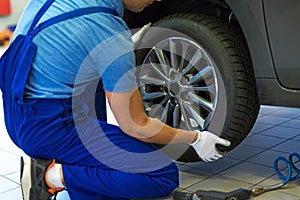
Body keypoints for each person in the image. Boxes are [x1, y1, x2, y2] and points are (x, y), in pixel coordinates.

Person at [1, 0, 231, 199]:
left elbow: (70, 47)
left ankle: (78, 172)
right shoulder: (106, 30)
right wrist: (195, 138)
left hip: (18, 115)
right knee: (161, 175)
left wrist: (120, 50)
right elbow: (136, 125)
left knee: (94, 84)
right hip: (51, 129)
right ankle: (51, 176)